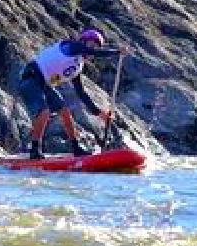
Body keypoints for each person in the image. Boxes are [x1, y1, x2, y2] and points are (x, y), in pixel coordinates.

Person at [18, 28, 130, 159]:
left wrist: (99, 113)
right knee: (45, 112)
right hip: (30, 79)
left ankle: (76, 148)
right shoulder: (71, 46)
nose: (93, 49)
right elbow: (91, 51)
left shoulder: (78, 67)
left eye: (96, 46)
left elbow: (81, 94)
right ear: (83, 42)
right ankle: (35, 150)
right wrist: (117, 52)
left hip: (44, 85)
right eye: (91, 44)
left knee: (65, 112)